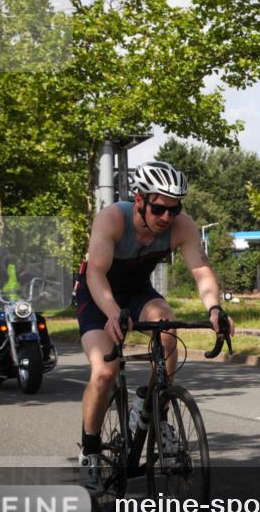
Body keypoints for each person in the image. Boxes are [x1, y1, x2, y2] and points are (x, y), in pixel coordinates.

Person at [76, 161, 234, 493]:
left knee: (166, 322)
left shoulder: (182, 227)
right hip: (97, 294)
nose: (166, 217)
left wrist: (215, 309)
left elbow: (202, 272)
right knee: (105, 371)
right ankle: (89, 452)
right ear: (139, 200)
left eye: (174, 210)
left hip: (137, 292)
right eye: (159, 208)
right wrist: (113, 313)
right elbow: (95, 273)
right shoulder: (112, 219)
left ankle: (156, 411)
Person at [0, 245, 51, 370]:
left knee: (38, 320)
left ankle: (45, 355)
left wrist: (38, 280)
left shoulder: (14, 269)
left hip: (14, 304)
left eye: (0, 260)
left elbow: (26, 276)